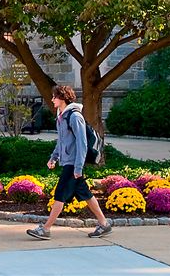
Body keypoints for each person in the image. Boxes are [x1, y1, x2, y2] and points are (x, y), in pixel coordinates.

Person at [26, 84, 113, 240]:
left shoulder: (74, 116)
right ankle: (104, 224)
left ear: (63, 98)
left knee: (60, 194)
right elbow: (62, 141)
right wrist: (54, 157)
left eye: (54, 97)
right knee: (84, 193)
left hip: (73, 164)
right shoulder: (62, 116)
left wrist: (78, 167)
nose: (52, 99)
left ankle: (45, 229)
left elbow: (82, 143)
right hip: (68, 162)